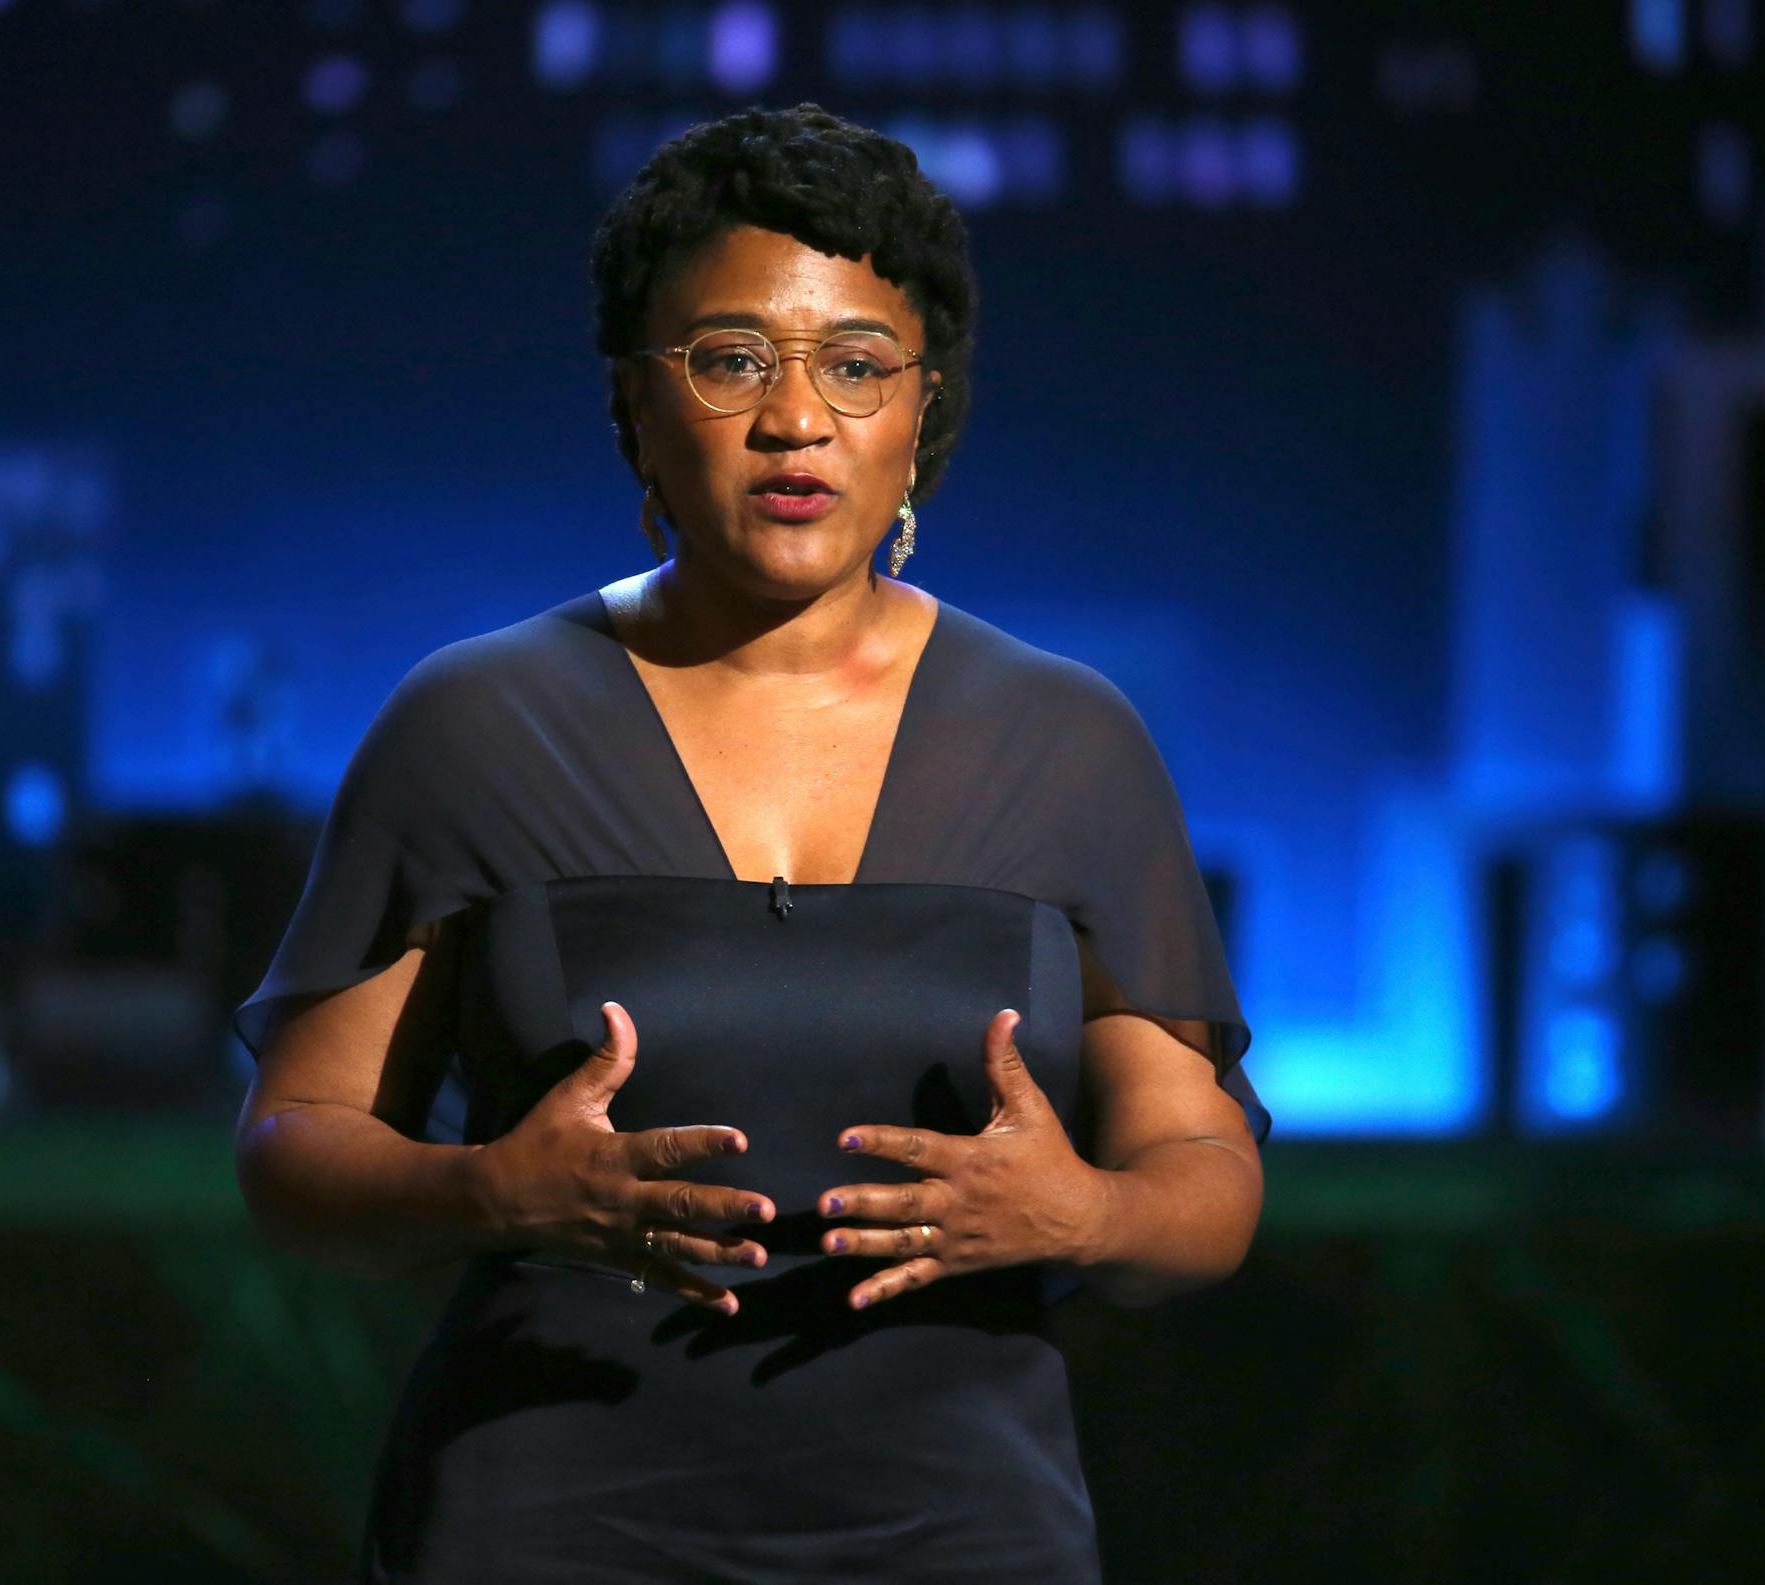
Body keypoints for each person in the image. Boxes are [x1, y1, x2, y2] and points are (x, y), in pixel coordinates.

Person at [231, 101, 1270, 1584]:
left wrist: (1088, 1211)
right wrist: (494, 1191)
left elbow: (1206, 1174)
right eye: (731, 359)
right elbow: (290, 1153)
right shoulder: (471, 722)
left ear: (926, 410)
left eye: (856, 365)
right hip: (544, 1530)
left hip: (962, 1538)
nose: (797, 419)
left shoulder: (1070, 739)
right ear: (636, 403)